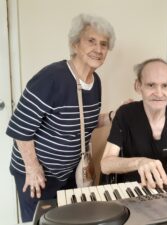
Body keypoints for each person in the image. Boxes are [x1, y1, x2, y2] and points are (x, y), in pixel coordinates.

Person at [6, 14, 116, 222]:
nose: (99, 49)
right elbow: (20, 128)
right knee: (40, 221)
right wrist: (33, 169)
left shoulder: (95, 82)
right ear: (75, 44)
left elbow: (84, 122)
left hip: (69, 172)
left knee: (69, 219)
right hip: (37, 173)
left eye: (104, 44)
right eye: (91, 41)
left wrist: (112, 116)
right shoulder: (52, 77)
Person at [101, 58, 167, 189]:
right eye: (151, 85)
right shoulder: (125, 114)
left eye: (165, 85)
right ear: (138, 86)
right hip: (133, 192)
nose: (159, 93)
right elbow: (105, 165)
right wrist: (139, 162)